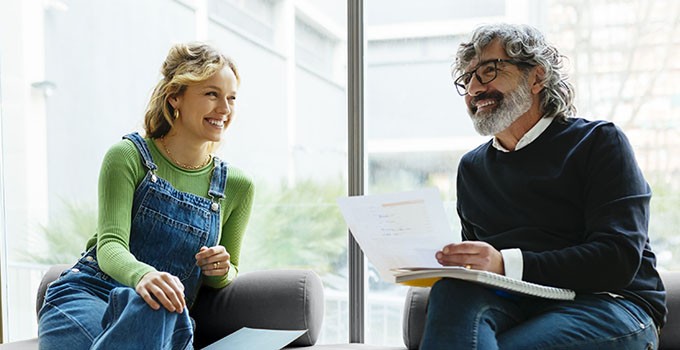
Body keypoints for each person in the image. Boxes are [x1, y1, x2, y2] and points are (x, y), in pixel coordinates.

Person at [420, 23, 667, 349]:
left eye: (489, 70)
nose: (474, 88)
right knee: (452, 291)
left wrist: (504, 263)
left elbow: (616, 259)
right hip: (516, 302)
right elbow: (482, 272)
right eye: (466, 79)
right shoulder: (471, 168)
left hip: (607, 304)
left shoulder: (598, 142)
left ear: (536, 77)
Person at [37, 42, 254, 349]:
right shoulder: (127, 156)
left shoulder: (237, 185)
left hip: (158, 314)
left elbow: (230, 271)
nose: (225, 109)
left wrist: (220, 269)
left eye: (231, 98)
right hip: (90, 295)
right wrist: (143, 276)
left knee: (156, 310)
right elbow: (109, 245)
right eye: (211, 94)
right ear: (175, 97)